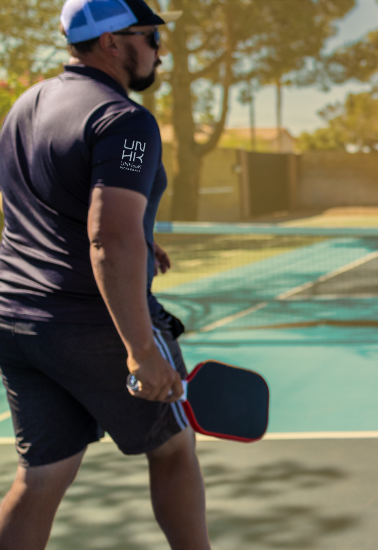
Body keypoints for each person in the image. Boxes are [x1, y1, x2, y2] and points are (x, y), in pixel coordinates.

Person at [0, 1, 210, 548]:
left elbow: (52, 196)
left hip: (17, 323)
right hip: (89, 325)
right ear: (113, 43)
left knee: (40, 477)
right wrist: (141, 348)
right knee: (173, 448)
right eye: (151, 39)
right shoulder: (127, 121)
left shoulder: (28, 103)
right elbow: (107, 236)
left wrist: (141, 237)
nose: (160, 53)